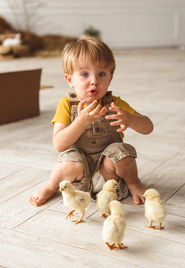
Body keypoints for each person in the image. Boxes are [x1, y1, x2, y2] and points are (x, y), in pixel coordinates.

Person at [29, 36, 153, 207]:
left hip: (108, 173)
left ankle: (134, 183)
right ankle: (50, 187)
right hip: (79, 173)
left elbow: (148, 128)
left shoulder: (115, 104)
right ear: (70, 79)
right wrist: (81, 121)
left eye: (101, 74)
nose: (94, 80)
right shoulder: (66, 104)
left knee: (122, 152)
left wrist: (131, 119)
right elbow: (59, 144)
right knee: (67, 163)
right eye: (84, 74)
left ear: (110, 78)